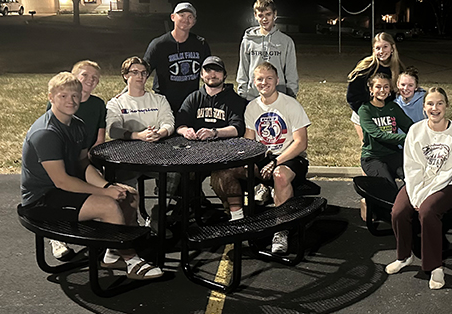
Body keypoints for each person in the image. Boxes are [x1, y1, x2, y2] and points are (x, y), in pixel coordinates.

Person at [20, 72, 162, 280]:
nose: (71, 101)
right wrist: (104, 195)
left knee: (128, 194)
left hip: (65, 190)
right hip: (42, 199)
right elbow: (62, 181)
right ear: (51, 97)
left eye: (75, 96)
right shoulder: (46, 133)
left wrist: (107, 187)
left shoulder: (77, 124)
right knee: (108, 206)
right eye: (63, 96)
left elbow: (83, 164)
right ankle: (131, 261)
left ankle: (113, 253)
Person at [218, 62, 310, 254]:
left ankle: (281, 229)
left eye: (269, 78)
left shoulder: (290, 104)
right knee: (226, 172)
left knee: (280, 176)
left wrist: (276, 161)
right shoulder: (252, 107)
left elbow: (301, 143)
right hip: (263, 157)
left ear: (277, 80)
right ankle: (239, 222)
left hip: (289, 157)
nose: (264, 82)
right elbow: (249, 140)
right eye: (260, 79)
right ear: (254, 82)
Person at [385, 87, 452, 290]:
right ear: (423, 107)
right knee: (398, 212)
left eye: (439, 103)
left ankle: (435, 266)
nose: (435, 108)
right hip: (418, 183)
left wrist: (423, 198)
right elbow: (412, 167)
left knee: (428, 211)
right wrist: (416, 194)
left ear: (446, 106)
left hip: (447, 183)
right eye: (430, 104)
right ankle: (404, 256)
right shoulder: (416, 130)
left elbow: (448, 171)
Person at [106, 56, 177, 235]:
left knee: (175, 173)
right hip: (128, 159)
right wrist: (139, 136)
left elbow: (169, 122)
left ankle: (157, 215)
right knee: (124, 185)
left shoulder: (159, 100)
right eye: (135, 72)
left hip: (157, 156)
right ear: (125, 76)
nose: (140, 76)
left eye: (144, 73)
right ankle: (130, 223)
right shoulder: (116, 103)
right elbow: (113, 129)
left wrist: (159, 134)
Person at [46, 60, 107, 260]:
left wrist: (88, 161)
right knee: (62, 185)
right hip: (62, 160)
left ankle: (103, 232)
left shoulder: (97, 105)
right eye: (85, 75)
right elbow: (53, 135)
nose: (90, 80)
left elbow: (99, 139)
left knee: (107, 189)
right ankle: (56, 234)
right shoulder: (60, 106)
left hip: (85, 157)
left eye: (94, 78)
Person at [176, 55, 247, 220]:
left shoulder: (234, 100)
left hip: (225, 154)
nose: (212, 75)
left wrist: (215, 132)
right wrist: (185, 131)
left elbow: (237, 128)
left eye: (217, 71)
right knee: (183, 175)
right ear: (201, 74)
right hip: (196, 154)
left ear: (224, 75)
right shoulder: (194, 97)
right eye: (208, 71)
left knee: (222, 178)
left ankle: (235, 217)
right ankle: (191, 212)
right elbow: (180, 123)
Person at [143, 2, 211, 115]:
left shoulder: (200, 44)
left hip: (191, 101)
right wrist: (128, 92)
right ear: (173, 17)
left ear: (194, 21)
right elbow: (143, 70)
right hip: (165, 101)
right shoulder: (159, 45)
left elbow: (209, 71)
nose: (186, 19)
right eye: (182, 15)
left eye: (190, 17)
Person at [236, 0, 298, 100]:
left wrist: (291, 94)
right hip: (253, 96)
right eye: (260, 15)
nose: (264, 19)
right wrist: (242, 94)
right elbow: (243, 68)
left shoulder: (286, 42)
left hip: (279, 96)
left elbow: (291, 72)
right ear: (255, 16)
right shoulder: (248, 41)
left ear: (275, 14)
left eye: (268, 14)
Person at [347, 32, 405, 142]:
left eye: (385, 47)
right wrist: (366, 113)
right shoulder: (366, 67)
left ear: (392, 48)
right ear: (373, 50)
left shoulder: (398, 68)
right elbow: (352, 96)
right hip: (364, 111)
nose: (381, 51)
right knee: (369, 145)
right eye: (378, 48)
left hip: (386, 114)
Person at [358, 73, 414, 188]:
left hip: (393, 154)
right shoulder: (365, 110)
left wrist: (424, 133)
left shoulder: (393, 107)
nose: (382, 90)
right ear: (371, 89)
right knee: (388, 187)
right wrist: (407, 138)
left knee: (413, 180)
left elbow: (410, 127)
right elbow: (378, 135)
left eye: (386, 87)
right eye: (378, 87)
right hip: (373, 157)